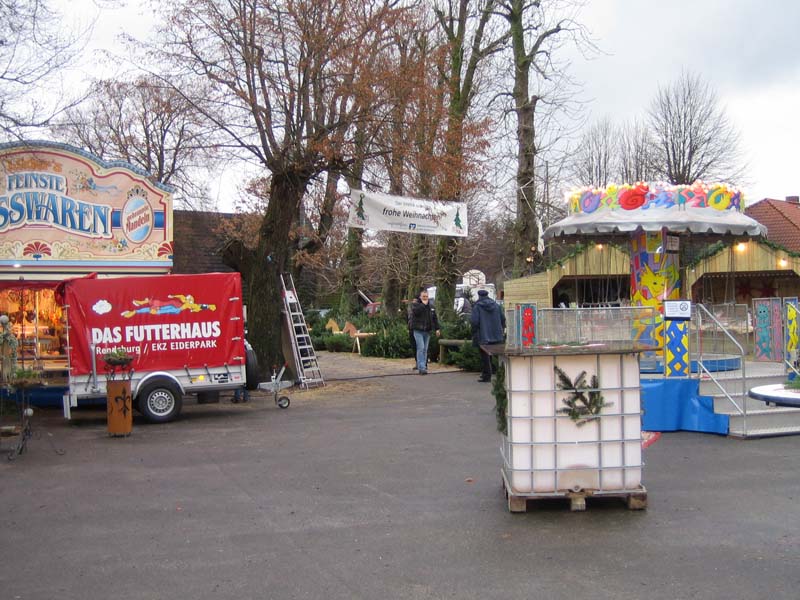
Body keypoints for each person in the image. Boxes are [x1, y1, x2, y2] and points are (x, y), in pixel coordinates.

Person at [471, 289, 506, 382]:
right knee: (498, 356)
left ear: (479, 296)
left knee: (485, 356)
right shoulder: (496, 306)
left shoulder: (477, 307)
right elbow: (503, 318)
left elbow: (474, 322)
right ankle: (502, 374)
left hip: (483, 335)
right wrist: (501, 329)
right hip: (497, 335)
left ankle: (487, 375)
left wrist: (474, 332)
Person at [409, 288, 440, 375]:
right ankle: (421, 367)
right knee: (421, 348)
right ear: (420, 297)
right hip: (418, 330)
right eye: (423, 296)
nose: (425, 298)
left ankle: (423, 365)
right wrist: (423, 304)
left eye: (426, 296)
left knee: (425, 349)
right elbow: (416, 312)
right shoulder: (416, 305)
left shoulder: (431, 306)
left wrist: (437, 328)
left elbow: (434, 318)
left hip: (427, 331)